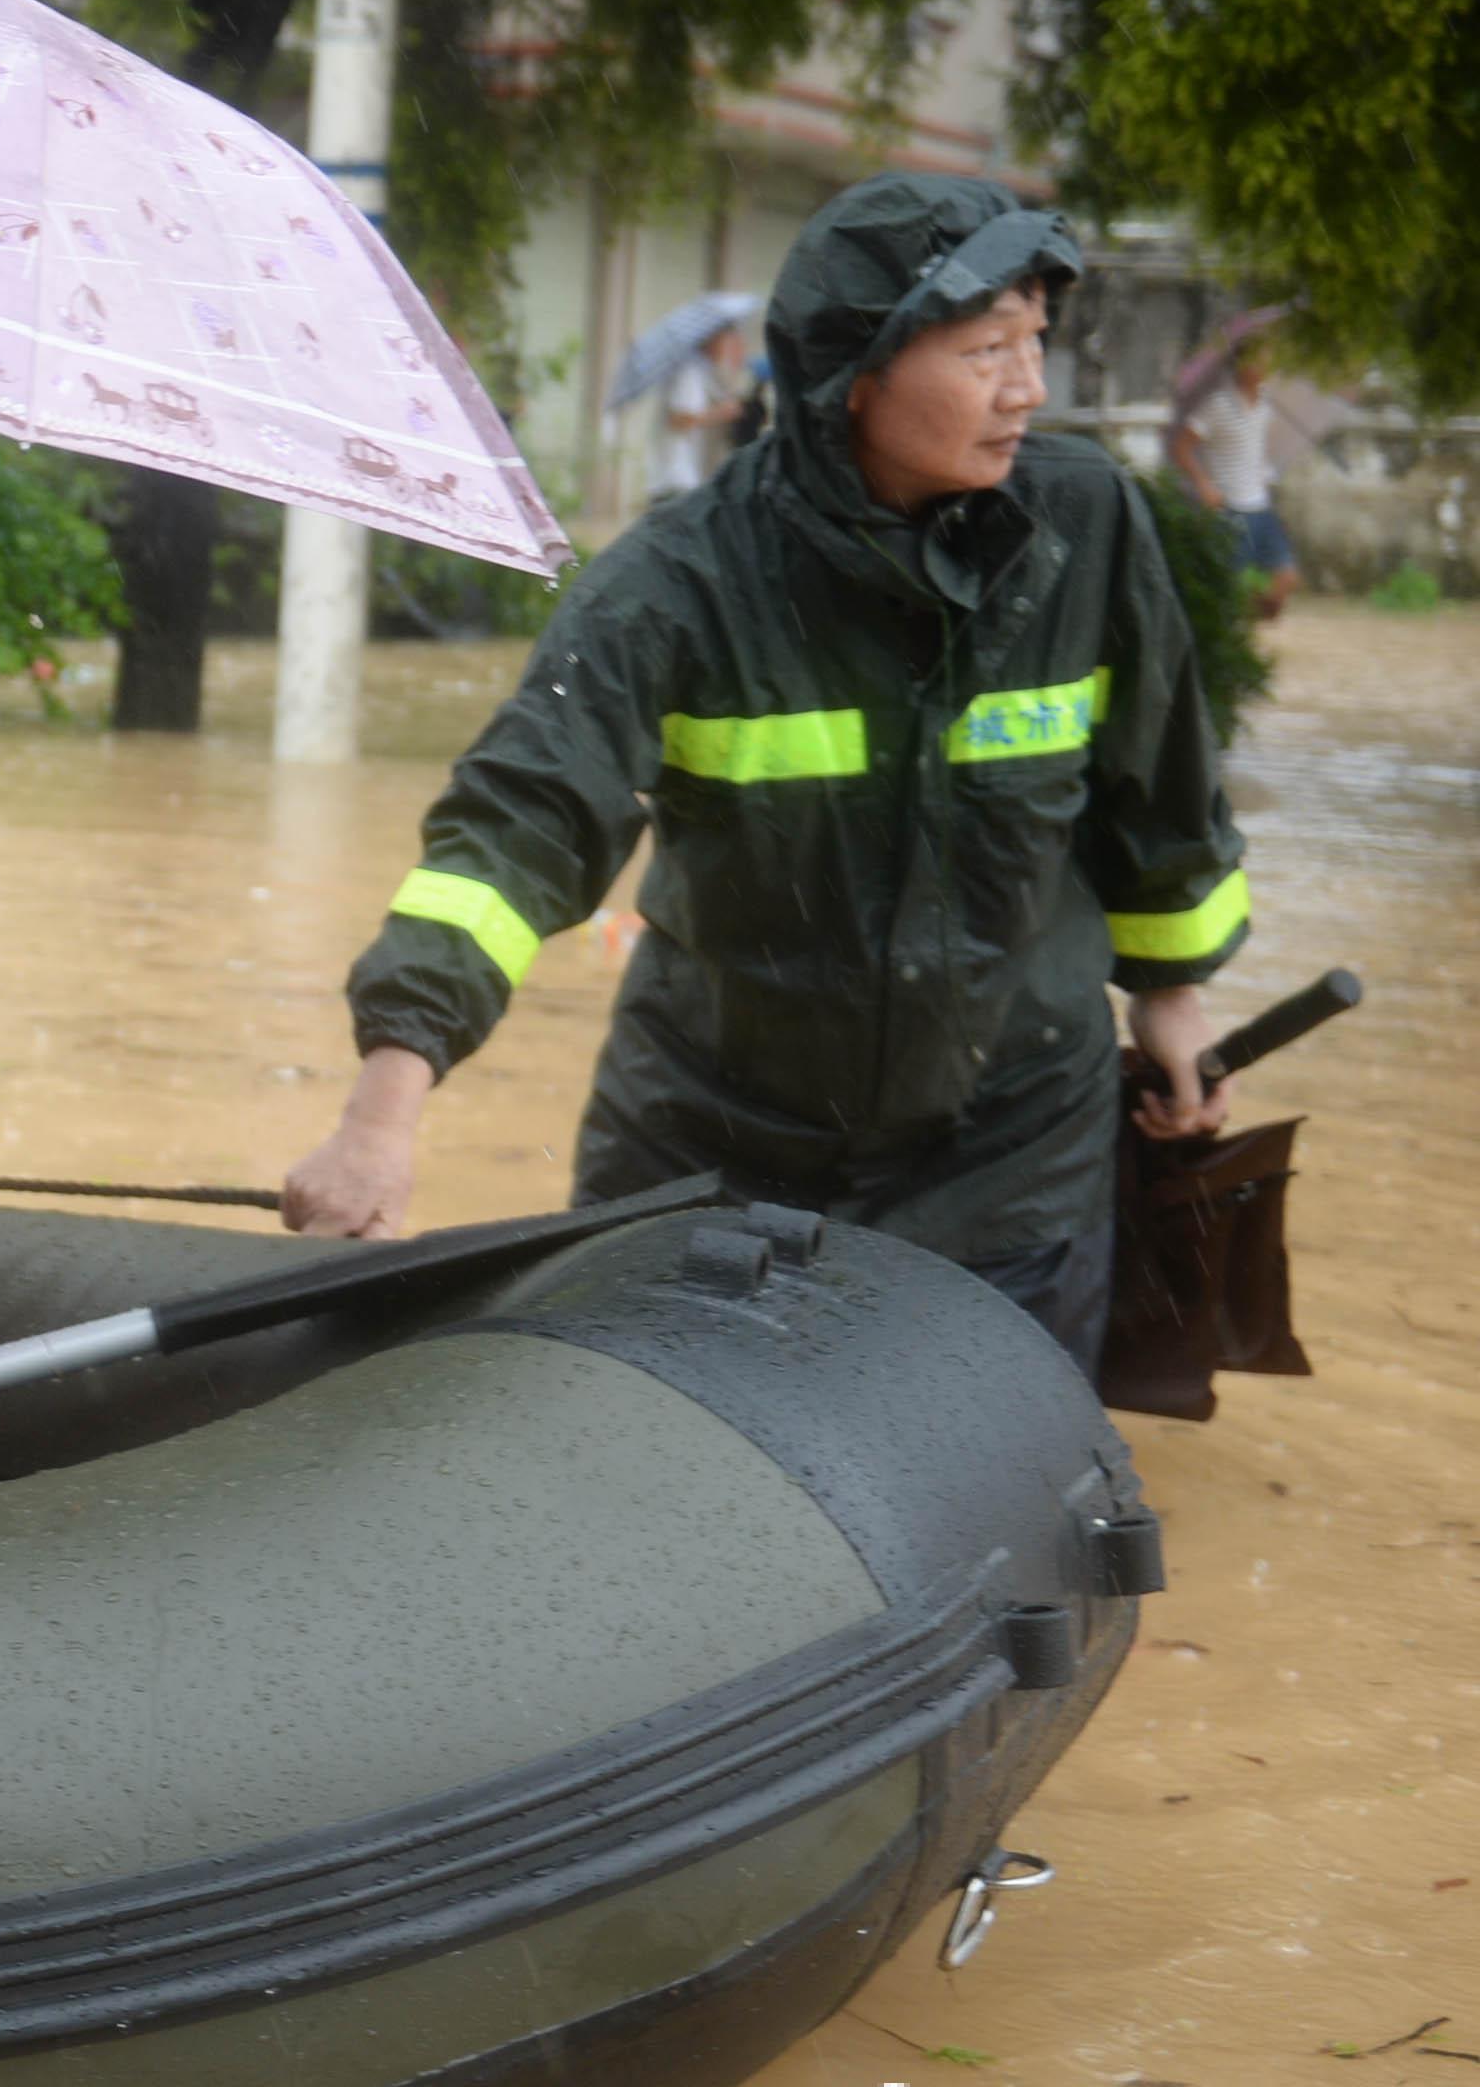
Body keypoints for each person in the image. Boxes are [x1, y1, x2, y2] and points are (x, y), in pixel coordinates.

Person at [280, 173, 1250, 1369]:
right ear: (859, 376)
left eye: (1033, 343)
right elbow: (520, 825)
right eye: (986, 349)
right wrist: (385, 1106)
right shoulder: (679, 584)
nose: (1028, 390)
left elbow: (1156, 779)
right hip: (709, 1152)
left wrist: (1173, 999)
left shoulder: (1083, 526)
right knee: (643, 1494)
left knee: (978, 1520)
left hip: (1010, 1154)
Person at [1172, 336, 1301, 625]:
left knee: (1287, 578)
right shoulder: (1219, 404)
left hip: (1260, 504)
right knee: (1230, 581)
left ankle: (1246, 618)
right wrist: (1203, 484)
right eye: (1260, 359)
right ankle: (1231, 630)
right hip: (1231, 507)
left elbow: (1255, 447)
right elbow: (1182, 446)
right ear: (1243, 365)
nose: (1266, 366)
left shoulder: (1267, 404)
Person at [652, 320, 745, 502]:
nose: (726, 349)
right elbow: (680, 419)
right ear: (711, 341)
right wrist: (721, 413)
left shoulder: (698, 371)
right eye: (725, 341)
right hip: (675, 478)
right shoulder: (689, 373)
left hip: (680, 477)